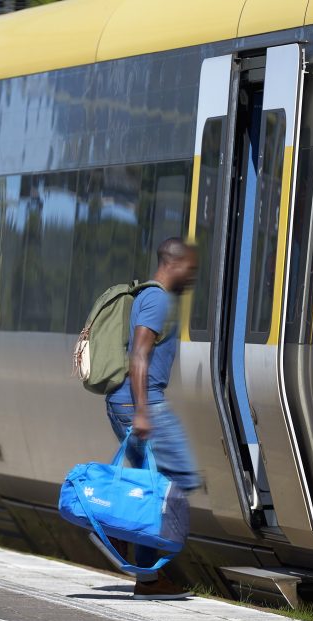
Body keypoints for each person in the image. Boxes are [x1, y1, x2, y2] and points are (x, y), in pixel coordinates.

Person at [105, 237, 201, 601]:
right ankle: (113, 523)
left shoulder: (153, 297)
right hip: (141, 403)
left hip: (133, 402)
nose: (192, 277)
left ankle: (147, 579)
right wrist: (144, 411)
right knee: (180, 477)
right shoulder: (158, 299)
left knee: (155, 485)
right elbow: (139, 355)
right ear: (174, 264)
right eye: (190, 269)